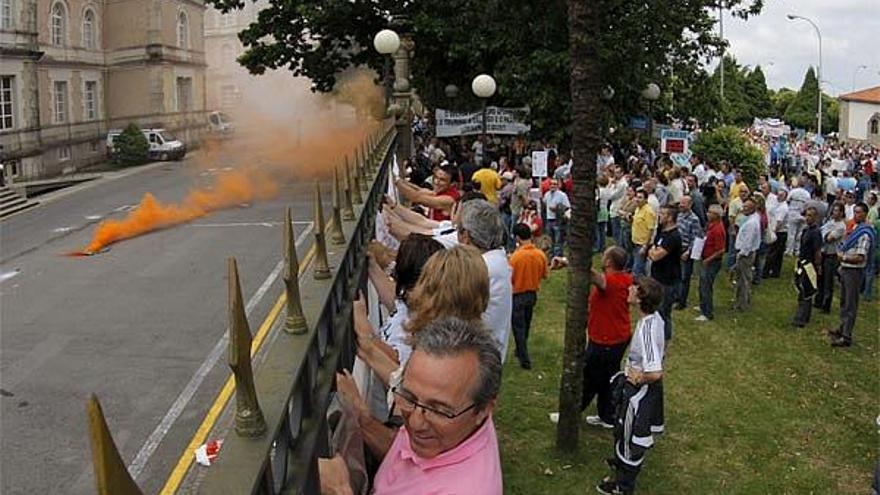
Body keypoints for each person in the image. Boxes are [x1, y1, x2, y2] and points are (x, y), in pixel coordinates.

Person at [325, 317, 503, 495]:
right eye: (409, 398)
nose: (415, 423)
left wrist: (340, 490)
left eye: (438, 410)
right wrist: (364, 420)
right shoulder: (460, 425)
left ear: (484, 409)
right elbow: (402, 454)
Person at [597, 277, 665, 495]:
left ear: (641, 297)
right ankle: (621, 464)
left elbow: (655, 372)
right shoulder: (654, 319)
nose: (629, 288)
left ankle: (623, 485)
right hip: (637, 389)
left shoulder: (646, 330)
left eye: (634, 287)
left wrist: (638, 378)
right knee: (622, 431)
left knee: (630, 437)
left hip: (638, 394)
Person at [581, 247, 633, 429]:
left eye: (604, 256)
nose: (602, 257)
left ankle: (573, 411)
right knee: (607, 378)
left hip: (607, 340)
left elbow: (596, 278)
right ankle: (607, 415)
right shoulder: (626, 278)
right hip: (618, 336)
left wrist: (571, 261)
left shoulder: (612, 281)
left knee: (589, 377)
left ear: (609, 262)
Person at [457, 200, 514, 360]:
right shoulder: (495, 260)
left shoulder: (483, 268)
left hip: (475, 361)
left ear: (465, 236)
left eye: (458, 230)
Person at [829, 202, 874, 347]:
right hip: (846, 268)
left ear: (865, 214)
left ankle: (846, 336)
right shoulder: (856, 228)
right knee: (843, 301)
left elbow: (861, 257)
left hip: (854, 271)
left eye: (859, 212)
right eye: (855, 212)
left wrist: (844, 257)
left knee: (850, 303)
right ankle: (842, 328)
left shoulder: (865, 233)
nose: (856, 215)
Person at [508, 223, 549, 369]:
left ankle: (524, 358)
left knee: (518, 327)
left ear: (518, 238)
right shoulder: (540, 254)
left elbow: (509, 278)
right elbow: (545, 274)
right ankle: (520, 349)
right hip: (532, 294)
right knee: (526, 324)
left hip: (518, 294)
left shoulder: (515, 257)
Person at [648, 205, 682, 340]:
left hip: (668, 280)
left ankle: (664, 338)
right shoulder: (661, 231)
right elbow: (653, 248)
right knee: (655, 310)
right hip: (657, 276)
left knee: (663, 313)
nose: (659, 216)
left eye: (662, 214)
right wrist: (653, 249)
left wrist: (653, 250)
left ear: (670, 218)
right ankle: (656, 335)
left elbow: (656, 255)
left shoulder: (673, 237)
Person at [395, 163, 460, 222]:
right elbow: (419, 190)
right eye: (436, 177)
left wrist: (396, 181)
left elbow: (415, 198)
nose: (436, 182)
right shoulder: (441, 191)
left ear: (452, 184)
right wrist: (402, 181)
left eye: (442, 180)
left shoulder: (449, 199)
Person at [792, 207, 823, 328]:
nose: (808, 218)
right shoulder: (806, 230)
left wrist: (818, 265)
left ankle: (801, 318)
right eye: (807, 215)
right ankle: (804, 315)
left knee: (806, 291)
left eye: (810, 216)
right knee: (801, 289)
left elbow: (817, 251)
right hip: (802, 262)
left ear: (815, 217)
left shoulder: (816, 232)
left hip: (810, 265)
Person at [814, 202, 846, 313]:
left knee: (828, 281)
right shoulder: (830, 222)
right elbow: (820, 232)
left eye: (836, 210)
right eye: (833, 210)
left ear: (841, 213)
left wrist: (826, 234)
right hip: (823, 253)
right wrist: (825, 233)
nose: (834, 212)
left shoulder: (841, 226)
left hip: (831, 256)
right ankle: (818, 301)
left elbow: (829, 238)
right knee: (820, 278)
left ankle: (826, 306)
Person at [696, 205, 726, 321]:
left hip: (711, 262)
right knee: (702, 284)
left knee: (706, 286)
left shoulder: (718, 230)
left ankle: (707, 312)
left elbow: (721, 250)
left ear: (716, 216)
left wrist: (708, 260)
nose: (707, 214)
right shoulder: (711, 226)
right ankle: (703, 305)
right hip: (705, 258)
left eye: (710, 213)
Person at [675, 195, 703, 310]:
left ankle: (682, 301)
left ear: (690, 205)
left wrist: (688, 252)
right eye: (680, 203)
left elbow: (696, 238)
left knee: (684, 277)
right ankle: (676, 296)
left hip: (686, 250)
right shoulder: (679, 215)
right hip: (677, 248)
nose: (681, 205)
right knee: (676, 274)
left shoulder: (694, 219)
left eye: (683, 203)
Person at [733, 197, 761, 311]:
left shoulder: (751, 223)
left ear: (752, 209)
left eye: (746, 207)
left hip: (745, 254)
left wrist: (741, 254)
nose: (743, 209)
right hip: (746, 252)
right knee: (743, 279)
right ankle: (742, 301)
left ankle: (742, 304)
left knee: (743, 280)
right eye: (743, 206)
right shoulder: (752, 218)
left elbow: (748, 242)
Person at [629, 189, 656, 277]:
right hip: (635, 241)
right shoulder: (638, 208)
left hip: (642, 244)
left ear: (646, 199)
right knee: (640, 267)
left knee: (637, 270)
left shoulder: (648, 211)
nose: (637, 199)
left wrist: (645, 246)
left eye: (640, 197)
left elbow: (651, 229)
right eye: (636, 197)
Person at [763, 188, 789, 279]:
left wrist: (772, 233)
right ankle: (775, 272)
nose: (778, 196)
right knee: (777, 254)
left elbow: (779, 222)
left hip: (779, 232)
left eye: (781, 195)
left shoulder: (783, 208)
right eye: (778, 194)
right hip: (778, 231)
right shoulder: (778, 204)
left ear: (785, 197)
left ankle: (766, 272)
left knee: (772, 253)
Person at [543, 178, 571, 258]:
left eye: (555, 184)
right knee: (550, 239)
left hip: (558, 220)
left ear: (558, 185)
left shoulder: (562, 195)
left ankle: (558, 256)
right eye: (551, 184)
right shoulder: (547, 194)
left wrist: (558, 209)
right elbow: (545, 203)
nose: (553, 186)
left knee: (558, 240)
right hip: (549, 219)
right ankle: (551, 255)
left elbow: (567, 207)